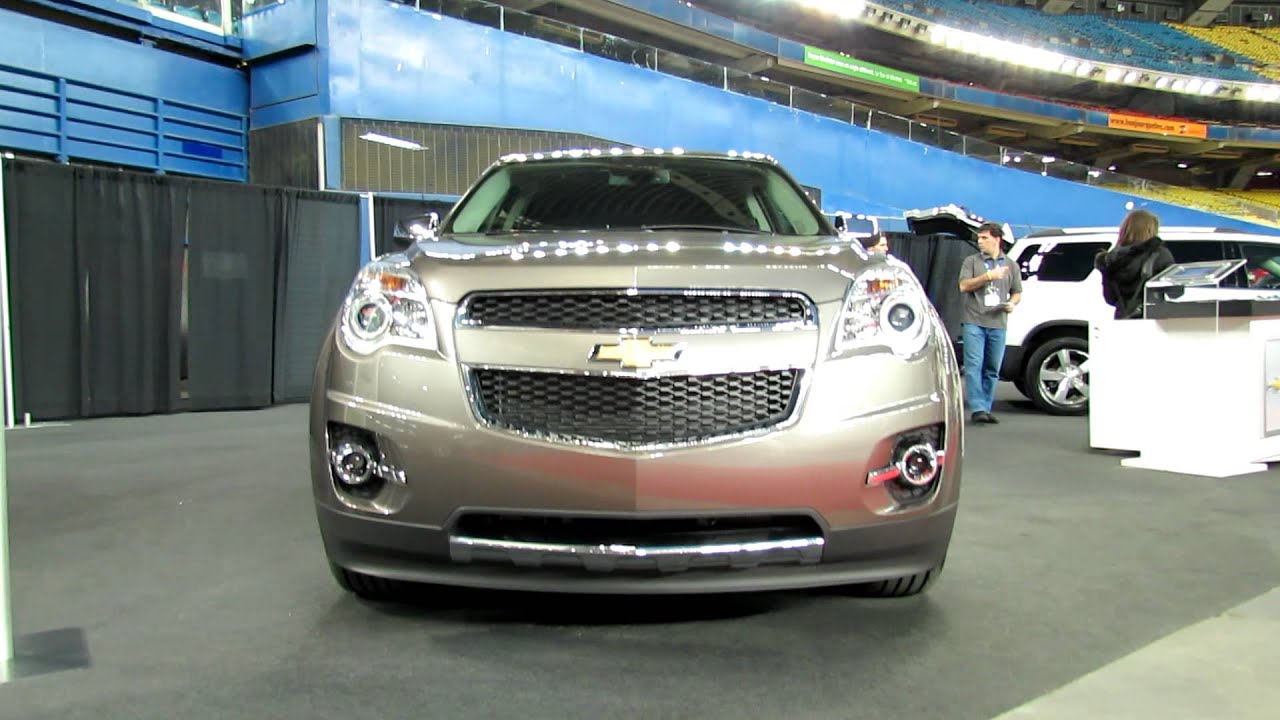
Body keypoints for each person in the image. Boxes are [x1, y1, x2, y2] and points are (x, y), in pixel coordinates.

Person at [957, 222, 1022, 424]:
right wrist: (987, 277)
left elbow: (1017, 292)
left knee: (992, 367)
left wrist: (1012, 303)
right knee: (974, 364)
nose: (980, 241)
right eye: (979, 238)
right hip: (974, 320)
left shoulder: (1010, 265)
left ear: (997, 239)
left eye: (984, 238)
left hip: (998, 321)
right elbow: (963, 286)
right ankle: (977, 408)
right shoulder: (972, 261)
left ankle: (986, 405)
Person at [1093, 209, 1175, 319]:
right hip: (1152, 318)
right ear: (1150, 229)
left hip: (1123, 318)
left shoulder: (1109, 259)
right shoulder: (1160, 254)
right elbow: (1175, 293)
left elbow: (1110, 299)